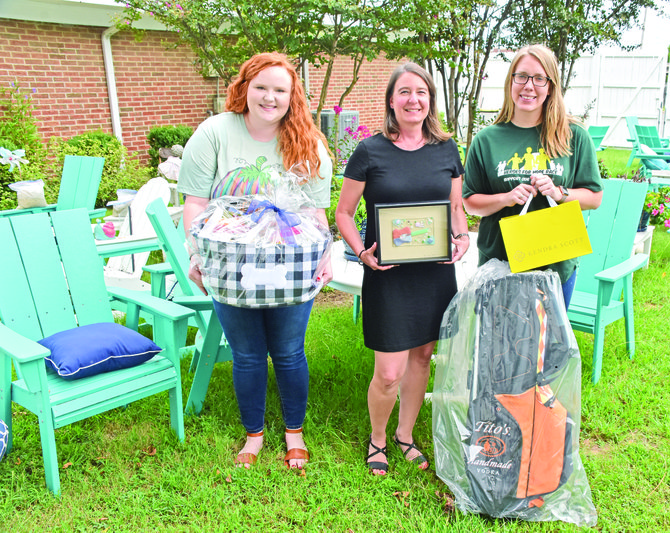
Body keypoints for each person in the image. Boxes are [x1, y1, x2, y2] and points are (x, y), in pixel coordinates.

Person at [177, 52, 333, 470]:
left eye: (280, 90)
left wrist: (326, 254)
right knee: (246, 353)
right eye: (261, 86)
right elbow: (194, 204)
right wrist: (196, 255)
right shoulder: (215, 132)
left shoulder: (307, 141)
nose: (269, 97)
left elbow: (317, 216)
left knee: (288, 351)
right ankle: (254, 434)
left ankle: (294, 433)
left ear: (292, 96)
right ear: (244, 87)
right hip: (229, 265)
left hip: (291, 266)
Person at [335, 63, 470, 476]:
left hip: (433, 274)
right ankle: (378, 439)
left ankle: (405, 435)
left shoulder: (446, 149)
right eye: (405, 92)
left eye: (422, 93)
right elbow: (343, 213)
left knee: (423, 356)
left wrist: (461, 238)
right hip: (388, 274)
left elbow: (454, 207)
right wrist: (362, 252)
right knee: (389, 372)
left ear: (430, 100)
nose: (414, 100)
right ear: (391, 101)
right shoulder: (369, 151)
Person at [463, 44, 603, 309]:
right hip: (499, 263)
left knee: (546, 349)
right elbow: (470, 201)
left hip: (555, 266)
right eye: (522, 76)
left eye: (539, 78)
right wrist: (506, 198)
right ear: (511, 81)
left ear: (550, 86)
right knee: (498, 347)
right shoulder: (486, 140)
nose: (529, 85)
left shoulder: (574, 136)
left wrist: (559, 192)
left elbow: (594, 197)